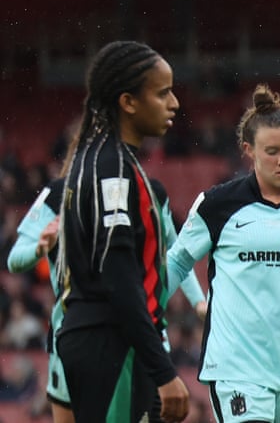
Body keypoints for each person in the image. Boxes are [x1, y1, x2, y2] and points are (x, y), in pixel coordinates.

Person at [165, 84, 280, 422]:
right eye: (272, 151)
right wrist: (144, 312)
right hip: (236, 366)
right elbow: (178, 261)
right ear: (248, 150)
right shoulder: (218, 204)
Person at [54, 40, 190, 423]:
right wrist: (162, 370)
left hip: (105, 342)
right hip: (112, 344)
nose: (174, 103)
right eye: (162, 93)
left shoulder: (99, 159)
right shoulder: (111, 168)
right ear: (128, 102)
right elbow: (118, 277)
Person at [7, 177, 207, 423]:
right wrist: (40, 247)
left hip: (141, 339)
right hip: (74, 338)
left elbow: (177, 254)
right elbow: (15, 260)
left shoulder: (151, 191)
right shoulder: (59, 193)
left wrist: (198, 302)